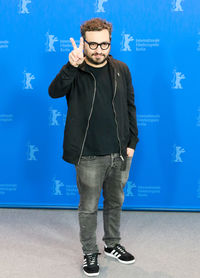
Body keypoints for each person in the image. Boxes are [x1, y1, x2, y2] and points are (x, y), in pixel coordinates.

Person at [48, 17, 139, 277]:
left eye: (104, 44)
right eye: (93, 45)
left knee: (115, 201)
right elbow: (53, 92)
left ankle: (112, 244)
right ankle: (90, 251)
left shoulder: (121, 68)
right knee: (88, 206)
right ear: (83, 43)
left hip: (119, 152)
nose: (99, 50)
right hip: (87, 154)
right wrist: (70, 65)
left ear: (110, 43)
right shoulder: (74, 70)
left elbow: (130, 107)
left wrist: (132, 142)